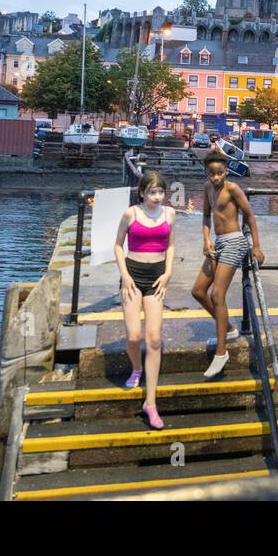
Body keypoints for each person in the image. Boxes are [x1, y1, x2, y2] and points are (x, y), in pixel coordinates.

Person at [192, 150, 266, 378]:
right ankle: (230, 329)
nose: (216, 178)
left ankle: (221, 353)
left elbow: (250, 216)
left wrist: (256, 246)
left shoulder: (233, 189)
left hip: (235, 242)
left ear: (226, 171)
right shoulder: (207, 189)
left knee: (217, 295)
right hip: (218, 243)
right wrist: (206, 240)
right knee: (198, 291)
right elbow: (206, 216)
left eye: (220, 173)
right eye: (211, 174)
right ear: (206, 173)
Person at [113, 171, 176, 430]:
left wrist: (168, 273)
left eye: (160, 191)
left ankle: (151, 402)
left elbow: (171, 245)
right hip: (133, 274)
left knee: (153, 339)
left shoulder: (169, 214)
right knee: (133, 336)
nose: (157, 196)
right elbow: (118, 245)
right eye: (152, 192)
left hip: (157, 277)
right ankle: (136, 367)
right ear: (142, 193)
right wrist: (125, 276)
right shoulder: (131, 214)